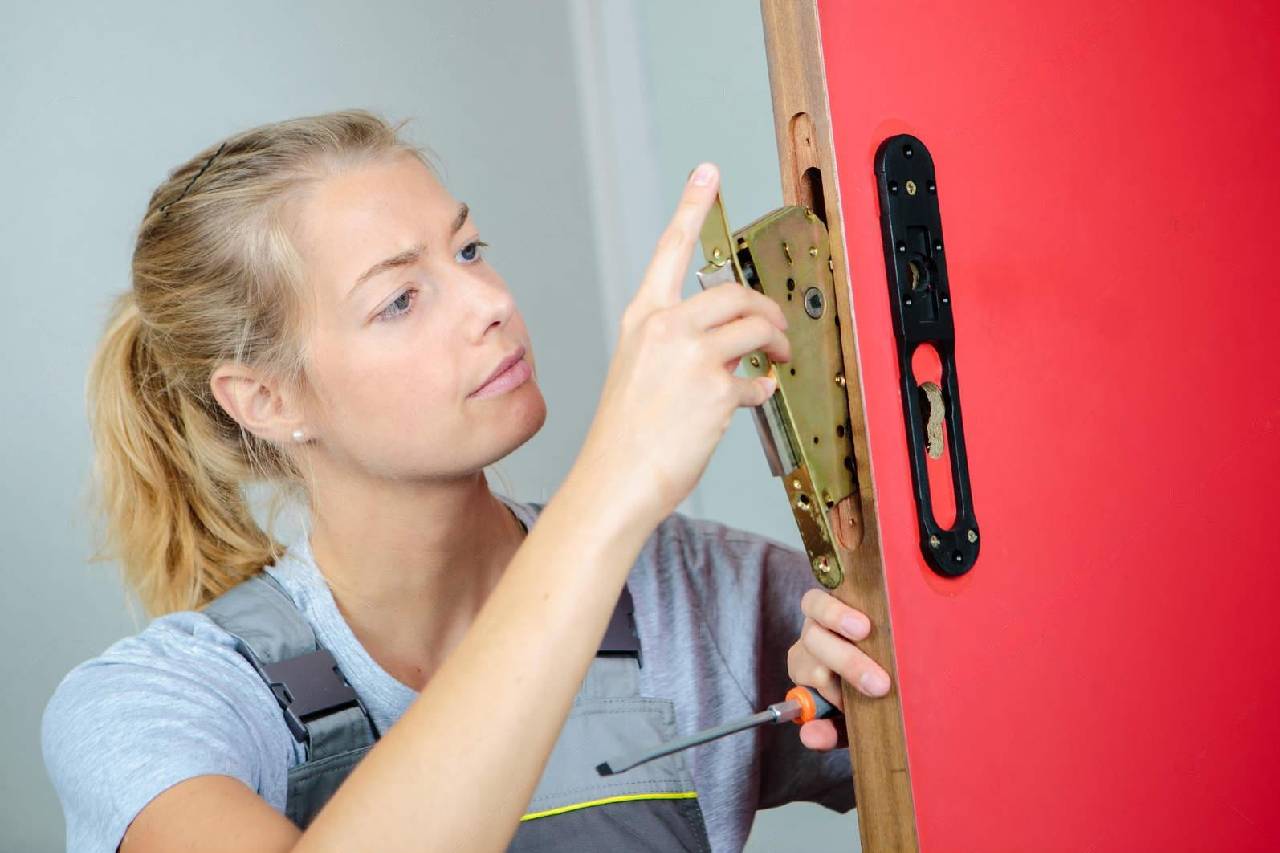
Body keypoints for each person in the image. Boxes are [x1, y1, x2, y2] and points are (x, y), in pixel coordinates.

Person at [41, 110, 892, 853]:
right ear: (267, 399)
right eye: (399, 299)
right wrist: (610, 485)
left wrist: (881, 699)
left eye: (470, 249)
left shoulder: (706, 593)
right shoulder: (155, 707)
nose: (490, 303)